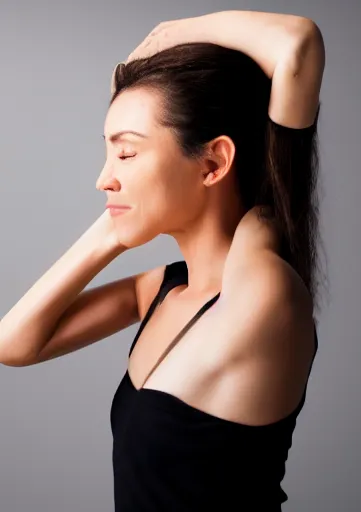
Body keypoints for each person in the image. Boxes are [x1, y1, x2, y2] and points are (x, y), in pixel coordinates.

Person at [0, 9, 325, 511]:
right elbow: (14, 344)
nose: (103, 178)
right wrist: (110, 232)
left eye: (126, 154)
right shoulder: (162, 291)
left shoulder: (264, 294)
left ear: (214, 162)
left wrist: (172, 35)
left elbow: (298, 45)